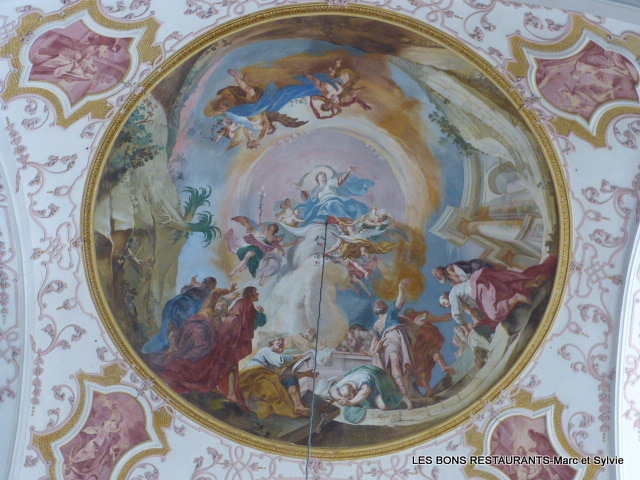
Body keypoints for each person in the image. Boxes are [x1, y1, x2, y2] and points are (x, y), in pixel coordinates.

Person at [161, 286, 266, 404]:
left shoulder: (240, 304)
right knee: (223, 363)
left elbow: (241, 320)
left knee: (225, 364)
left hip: (230, 335)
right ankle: (228, 392)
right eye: (256, 293)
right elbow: (245, 321)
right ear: (251, 294)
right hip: (231, 336)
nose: (258, 295)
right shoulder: (244, 303)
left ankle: (230, 392)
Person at [440, 256, 557, 330]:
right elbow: (476, 314)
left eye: (445, 303)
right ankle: (531, 283)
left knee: (495, 314)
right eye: (445, 306)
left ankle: (516, 298)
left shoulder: (453, 293)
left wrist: (466, 330)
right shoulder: (464, 298)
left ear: (447, 296)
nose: (447, 305)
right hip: (483, 276)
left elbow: (456, 314)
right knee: (507, 289)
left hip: (479, 286)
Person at [367, 279, 415, 409]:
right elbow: (375, 339)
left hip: (395, 335)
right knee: (392, 363)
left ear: (385, 306)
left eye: (381, 303)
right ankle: (402, 393)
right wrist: (371, 350)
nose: (378, 304)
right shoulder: (376, 325)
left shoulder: (391, 313)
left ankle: (404, 393)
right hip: (386, 342)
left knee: (397, 362)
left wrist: (401, 289)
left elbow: (399, 302)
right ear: (375, 310)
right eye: (376, 304)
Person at [238, 337, 314, 418]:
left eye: (282, 343)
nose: (281, 343)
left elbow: (283, 375)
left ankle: (298, 406)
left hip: (265, 378)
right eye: (278, 340)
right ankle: (297, 405)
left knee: (290, 378)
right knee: (281, 385)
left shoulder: (272, 363)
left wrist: (305, 373)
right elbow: (280, 362)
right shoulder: (266, 350)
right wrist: (298, 357)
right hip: (254, 375)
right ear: (272, 343)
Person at [142, 276, 217, 354]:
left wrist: (193, 285)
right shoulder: (201, 288)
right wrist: (192, 284)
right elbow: (184, 291)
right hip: (180, 302)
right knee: (171, 323)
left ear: (210, 284)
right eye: (204, 281)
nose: (203, 282)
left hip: (187, 306)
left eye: (205, 281)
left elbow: (187, 292)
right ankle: (167, 344)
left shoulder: (209, 292)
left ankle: (171, 345)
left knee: (175, 324)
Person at [294, 166, 374, 225]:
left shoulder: (330, 182)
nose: (323, 175)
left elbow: (340, 181)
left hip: (333, 200)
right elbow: (311, 200)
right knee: (316, 212)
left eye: (324, 174)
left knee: (331, 204)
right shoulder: (316, 190)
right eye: (321, 174)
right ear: (317, 178)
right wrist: (302, 189)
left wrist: (347, 172)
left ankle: (343, 220)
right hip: (322, 203)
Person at [402, 308, 456, 396]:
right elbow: (428, 317)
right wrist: (443, 318)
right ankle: (444, 366)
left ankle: (429, 389)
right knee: (431, 354)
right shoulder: (415, 318)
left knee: (421, 368)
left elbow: (427, 317)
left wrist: (443, 318)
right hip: (421, 345)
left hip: (420, 345)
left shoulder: (410, 320)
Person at [329, 365, 403, 423]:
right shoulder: (342, 383)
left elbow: (366, 390)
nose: (347, 398)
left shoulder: (362, 379)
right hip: (361, 383)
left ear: (353, 391)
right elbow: (332, 389)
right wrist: (339, 398)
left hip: (374, 386)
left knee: (383, 407)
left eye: (349, 396)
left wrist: (350, 402)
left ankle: (402, 399)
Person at [228, 212, 286, 278]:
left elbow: (277, 245)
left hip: (260, 251)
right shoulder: (265, 230)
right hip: (255, 246)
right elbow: (259, 223)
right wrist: (259, 214)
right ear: (270, 226)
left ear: (275, 230)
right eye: (272, 225)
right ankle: (235, 270)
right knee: (247, 255)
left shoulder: (274, 238)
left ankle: (243, 266)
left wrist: (282, 251)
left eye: (275, 226)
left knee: (248, 260)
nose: (273, 226)